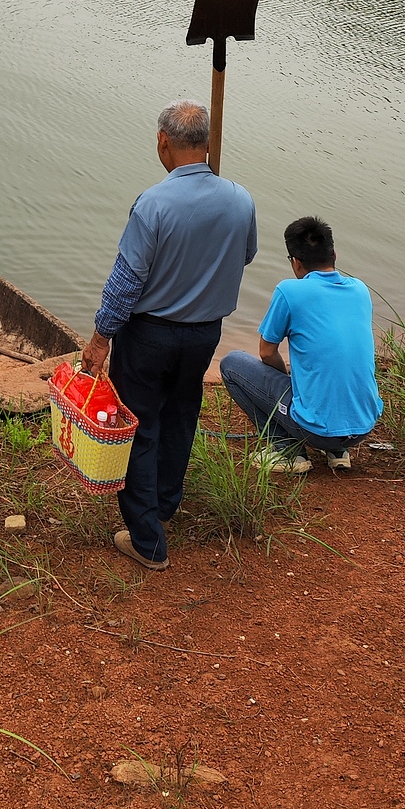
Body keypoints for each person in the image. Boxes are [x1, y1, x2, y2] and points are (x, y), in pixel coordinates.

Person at [80, 99, 257, 572]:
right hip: (203, 335)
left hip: (150, 335)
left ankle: (147, 540)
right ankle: (164, 505)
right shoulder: (241, 199)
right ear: (205, 144)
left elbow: (126, 280)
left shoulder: (153, 203)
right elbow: (245, 256)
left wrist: (100, 338)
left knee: (138, 426)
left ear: (163, 141)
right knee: (181, 414)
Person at [219, 216, 382, 475]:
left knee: (231, 364)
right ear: (334, 254)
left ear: (295, 262)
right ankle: (338, 453)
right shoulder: (360, 290)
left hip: (317, 431)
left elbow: (266, 352)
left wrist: (282, 377)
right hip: (363, 427)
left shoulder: (290, 292)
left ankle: (287, 449)